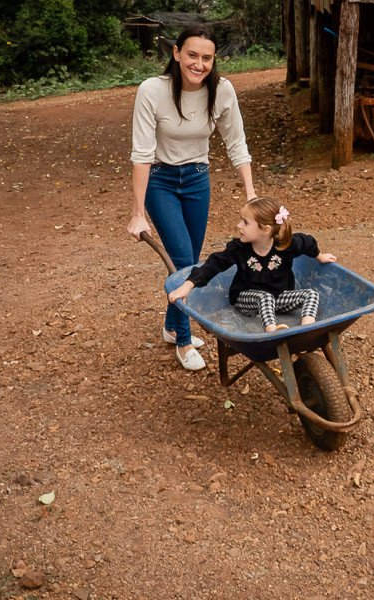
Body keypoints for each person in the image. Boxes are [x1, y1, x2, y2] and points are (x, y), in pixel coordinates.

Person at [126, 24, 257, 371]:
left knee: (189, 260)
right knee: (185, 260)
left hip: (198, 179)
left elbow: (236, 142)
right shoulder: (152, 91)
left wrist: (251, 193)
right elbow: (141, 153)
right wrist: (137, 213)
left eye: (207, 58)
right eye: (192, 55)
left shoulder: (222, 91)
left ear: (214, 59)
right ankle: (183, 340)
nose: (199, 64)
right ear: (176, 53)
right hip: (160, 181)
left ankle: (171, 325)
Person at [167, 197, 337, 333]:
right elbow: (213, 264)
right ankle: (273, 332)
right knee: (265, 297)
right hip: (246, 299)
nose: (239, 225)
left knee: (311, 294)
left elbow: (308, 242)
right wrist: (188, 286)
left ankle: (306, 328)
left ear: (265, 230)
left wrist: (320, 256)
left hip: (278, 298)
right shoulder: (239, 249)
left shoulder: (286, 245)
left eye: (245, 222)